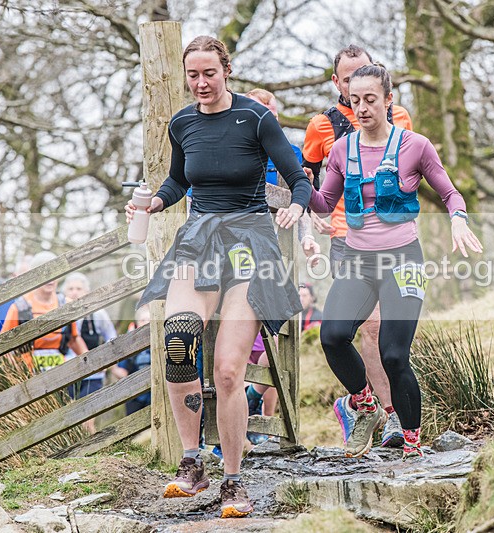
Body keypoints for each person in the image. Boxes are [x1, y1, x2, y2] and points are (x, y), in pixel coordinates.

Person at [126, 36, 311, 518]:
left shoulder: (256, 117)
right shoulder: (182, 124)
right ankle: (192, 461)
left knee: (229, 370)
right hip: (198, 240)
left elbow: (299, 178)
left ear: (226, 70)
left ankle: (233, 479)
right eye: (193, 75)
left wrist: (296, 207)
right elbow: (178, 180)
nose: (201, 83)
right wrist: (154, 203)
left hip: (249, 241)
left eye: (209, 73)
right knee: (178, 339)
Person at [309, 65, 483, 460]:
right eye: (355, 100)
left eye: (371, 99)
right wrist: (300, 185)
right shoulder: (342, 150)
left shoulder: (415, 146)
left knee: (393, 355)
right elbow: (324, 202)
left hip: (403, 259)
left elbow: (450, 193)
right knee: (333, 336)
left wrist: (458, 219)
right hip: (357, 259)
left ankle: (411, 443)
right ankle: (366, 405)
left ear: (389, 100)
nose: (362, 108)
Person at [302, 44, 414, 449]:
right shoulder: (321, 126)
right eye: (348, 79)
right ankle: (388, 415)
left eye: (364, 74)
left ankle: (367, 407)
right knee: (369, 325)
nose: (356, 85)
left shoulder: (399, 117)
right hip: (346, 238)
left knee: (390, 332)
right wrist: (308, 221)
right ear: (337, 82)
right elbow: (303, 179)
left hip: (394, 239)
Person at [0, 251, 89, 373]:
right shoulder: (20, 307)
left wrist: (91, 361)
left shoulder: (65, 304)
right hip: (29, 376)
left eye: (54, 272)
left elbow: (73, 339)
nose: (50, 278)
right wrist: (14, 372)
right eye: (44, 272)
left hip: (60, 375)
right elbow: (4, 347)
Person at [62, 272, 118, 432]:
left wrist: (106, 361)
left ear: (87, 291)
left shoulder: (98, 313)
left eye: (79, 288)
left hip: (93, 375)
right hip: (65, 373)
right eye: (71, 289)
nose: (74, 292)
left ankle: (90, 446)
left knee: (87, 420)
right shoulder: (58, 314)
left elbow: (112, 338)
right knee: (66, 419)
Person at [112, 305, 152, 416]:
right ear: (136, 324)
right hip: (136, 395)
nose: (146, 323)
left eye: (149, 320)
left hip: (155, 393)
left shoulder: (161, 343)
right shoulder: (131, 346)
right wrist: (112, 368)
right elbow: (123, 373)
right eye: (143, 320)